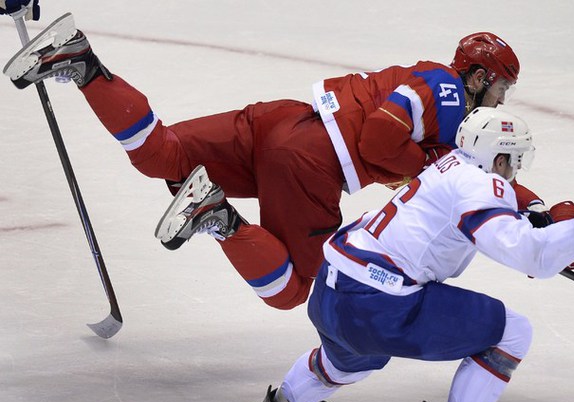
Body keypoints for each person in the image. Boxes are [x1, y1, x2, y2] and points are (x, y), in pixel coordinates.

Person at [3, 9, 535, 311]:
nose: (501, 100)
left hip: (284, 121)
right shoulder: (447, 91)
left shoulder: (438, 98)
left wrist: (525, 207)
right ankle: (219, 217)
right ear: (479, 77)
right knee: (295, 289)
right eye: (501, 88)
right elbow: (377, 140)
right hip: (310, 163)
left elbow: (468, 178)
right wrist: (420, 168)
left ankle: (83, 64)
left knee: (160, 154)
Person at [251, 107, 574, 402]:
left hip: (332, 289)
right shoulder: (480, 185)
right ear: (500, 157)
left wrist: (538, 216)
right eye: (515, 161)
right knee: (512, 332)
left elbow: (497, 205)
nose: (515, 171)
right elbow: (529, 256)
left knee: (353, 357)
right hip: (380, 304)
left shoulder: (447, 165)